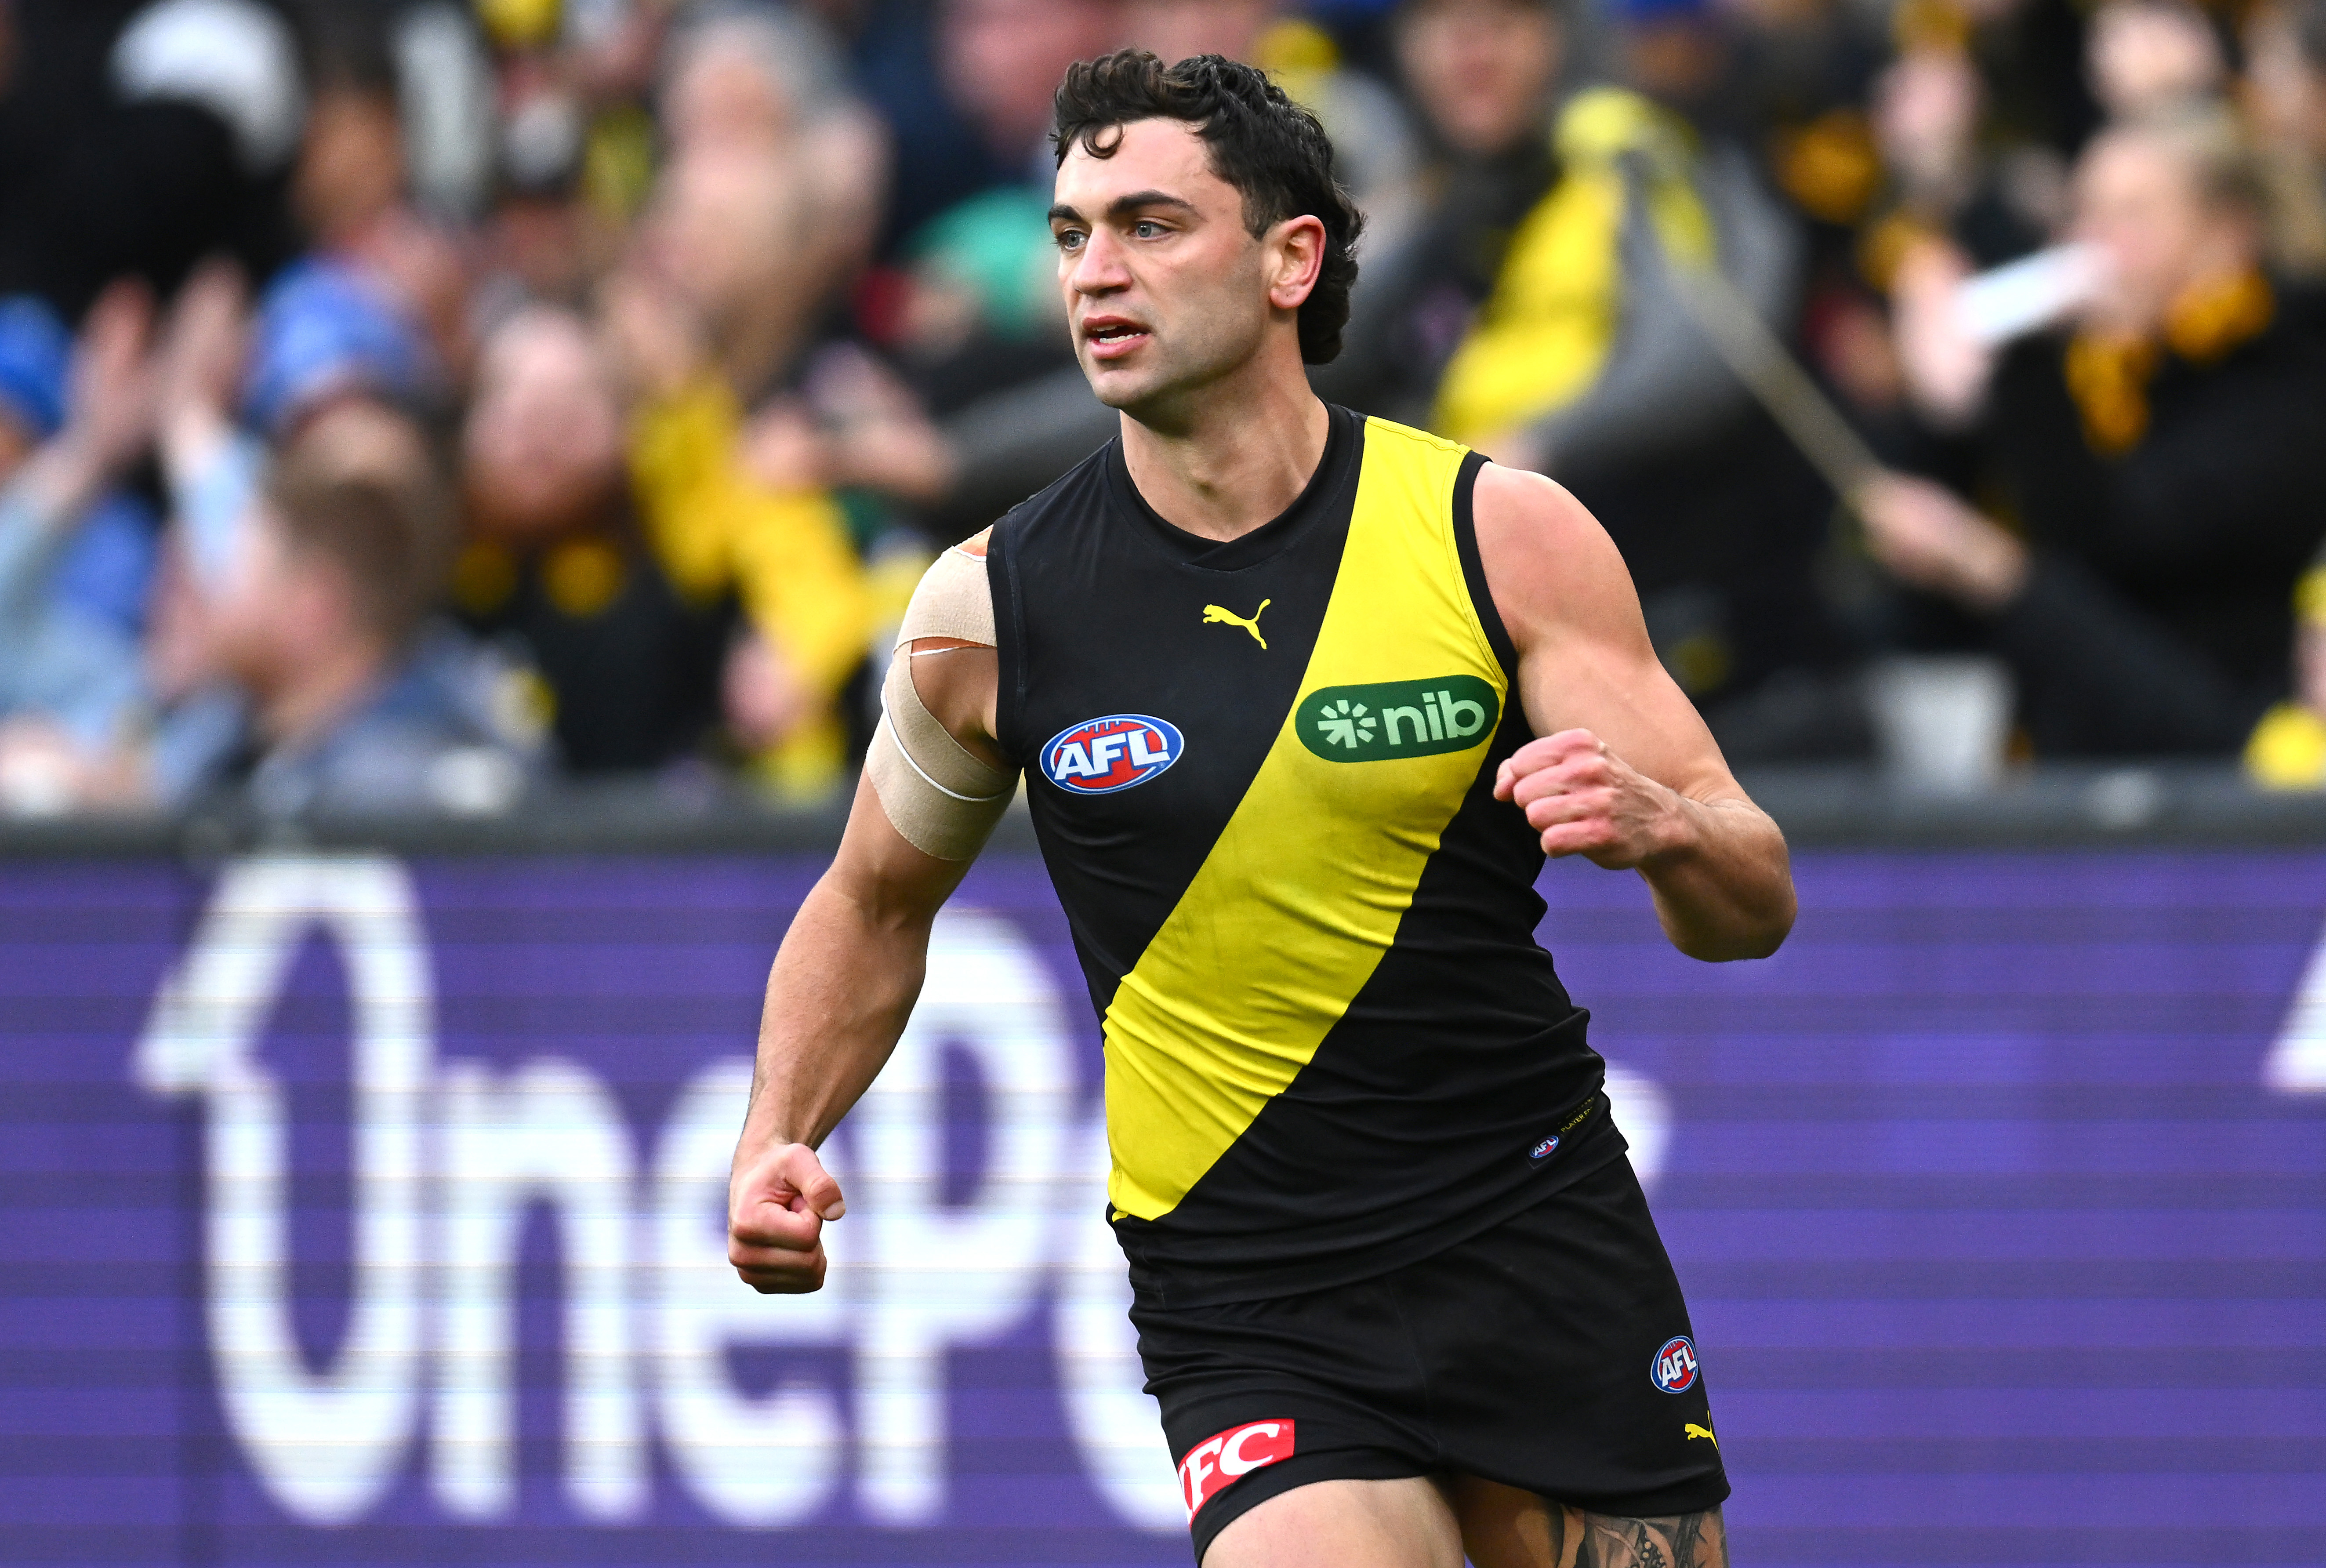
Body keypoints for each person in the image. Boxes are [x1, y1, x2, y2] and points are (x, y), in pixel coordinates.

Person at [724, 49, 1794, 1568]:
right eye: (1072, 232)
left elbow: (1752, 898)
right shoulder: (987, 609)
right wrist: (778, 1127)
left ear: (1294, 257)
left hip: (1534, 1237)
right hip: (1249, 1291)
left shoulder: (1499, 535)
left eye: (1152, 224)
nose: (1097, 269)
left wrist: (1667, 827)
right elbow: (869, 900)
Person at [1866, 107, 2326, 757]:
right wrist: (1938, 413)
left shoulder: (2288, 389)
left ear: (2227, 234)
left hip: (2226, 791)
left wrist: (2025, 357)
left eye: (2132, 216)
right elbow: (1925, 620)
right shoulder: (2084, 373)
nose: (2092, 248)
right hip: (2066, 784)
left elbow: (2103, 546)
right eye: (2085, 215)